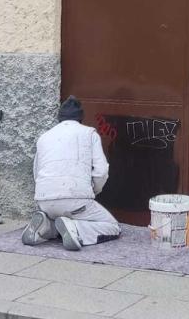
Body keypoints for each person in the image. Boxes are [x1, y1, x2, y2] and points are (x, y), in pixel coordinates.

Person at [21, 96, 121, 250]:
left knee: (57, 217)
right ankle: (76, 228)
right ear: (80, 118)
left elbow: (37, 173)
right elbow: (101, 171)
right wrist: (93, 190)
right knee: (112, 226)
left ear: (59, 118)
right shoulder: (89, 133)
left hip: (44, 202)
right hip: (75, 201)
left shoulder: (44, 137)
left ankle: (48, 226)